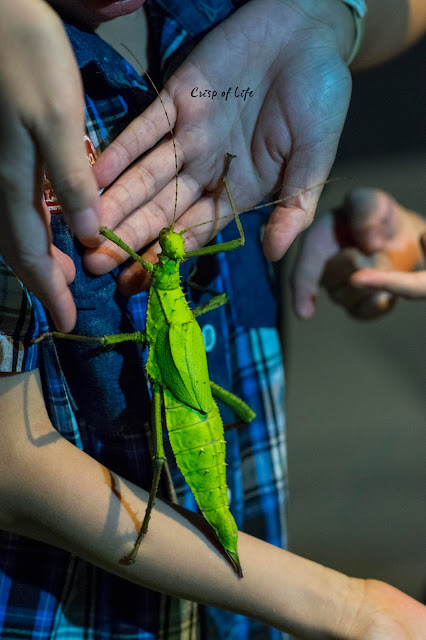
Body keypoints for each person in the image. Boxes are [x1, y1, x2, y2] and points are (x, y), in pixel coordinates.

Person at [0, 1, 425, 639]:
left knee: (195, 404)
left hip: (243, 567)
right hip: (70, 613)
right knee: (181, 414)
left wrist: (326, 16)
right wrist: (346, 608)